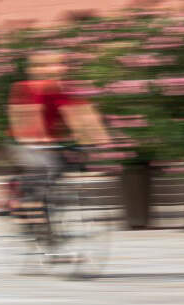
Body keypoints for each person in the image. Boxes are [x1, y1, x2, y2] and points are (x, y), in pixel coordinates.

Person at [7, 50, 108, 214]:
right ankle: (20, 197)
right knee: (44, 166)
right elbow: (25, 115)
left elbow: (81, 113)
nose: (58, 68)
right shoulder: (24, 88)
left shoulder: (65, 89)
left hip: (50, 142)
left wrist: (95, 136)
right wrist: (38, 138)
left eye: (61, 63)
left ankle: (44, 204)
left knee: (62, 166)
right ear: (36, 68)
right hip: (22, 141)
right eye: (50, 64)